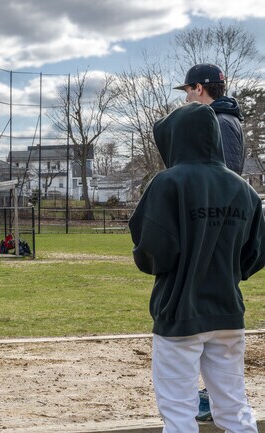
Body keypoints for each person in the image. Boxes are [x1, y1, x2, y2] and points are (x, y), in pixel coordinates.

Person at [129, 102, 264, 433]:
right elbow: (256, 252)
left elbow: (154, 252)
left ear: (175, 138)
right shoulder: (244, 190)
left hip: (179, 315)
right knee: (234, 406)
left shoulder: (168, 183)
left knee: (178, 412)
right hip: (228, 314)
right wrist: (231, 272)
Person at [174, 63, 248, 422]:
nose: (187, 96)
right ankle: (211, 393)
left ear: (200, 89)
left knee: (204, 311)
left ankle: (206, 395)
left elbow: (222, 177)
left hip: (214, 228)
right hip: (219, 226)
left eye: (188, 90)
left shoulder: (217, 122)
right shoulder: (228, 118)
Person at [174, 63, 246, 175]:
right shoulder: (219, 118)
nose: (187, 99)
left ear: (199, 88)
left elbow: (227, 177)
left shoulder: (220, 122)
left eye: (187, 92)